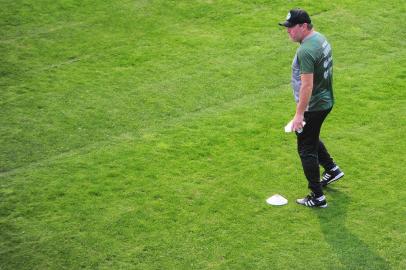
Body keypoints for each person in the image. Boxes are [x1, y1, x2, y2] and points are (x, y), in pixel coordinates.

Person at [279, 9, 344, 208]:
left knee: (305, 147)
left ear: (303, 26)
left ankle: (317, 196)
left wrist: (299, 114)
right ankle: (332, 169)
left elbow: (307, 84)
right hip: (325, 100)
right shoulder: (321, 39)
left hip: (314, 105)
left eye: (291, 28)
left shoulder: (305, 51)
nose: (288, 31)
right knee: (310, 136)